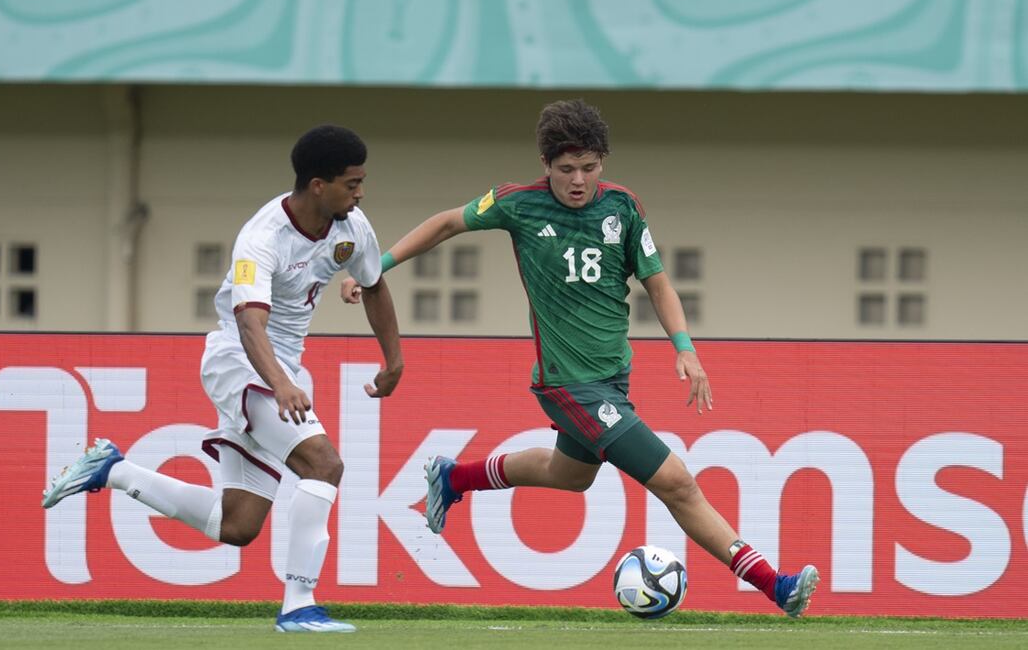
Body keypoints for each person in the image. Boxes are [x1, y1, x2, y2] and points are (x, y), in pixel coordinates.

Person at [341, 100, 819, 617]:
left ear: (603, 163)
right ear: (545, 165)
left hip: (612, 381)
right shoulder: (516, 203)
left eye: (589, 168)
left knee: (569, 475)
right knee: (677, 483)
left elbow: (657, 284)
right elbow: (445, 225)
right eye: (566, 169)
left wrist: (686, 349)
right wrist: (375, 267)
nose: (578, 180)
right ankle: (777, 587)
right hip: (567, 385)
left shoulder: (624, 208)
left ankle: (453, 478)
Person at [43, 125, 404, 633]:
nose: (361, 192)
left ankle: (112, 470)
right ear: (318, 185)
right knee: (323, 464)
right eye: (352, 183)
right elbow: (248, 322)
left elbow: (373, 285)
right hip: (240, 361)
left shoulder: (352, 226)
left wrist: (394, 360)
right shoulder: (262, 237)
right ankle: (299, 605)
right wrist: (279, 383)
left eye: (363, 181)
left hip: (283, 368)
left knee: (236, 526)